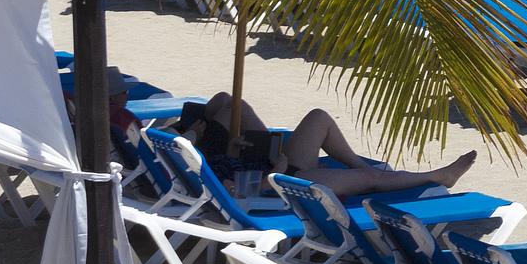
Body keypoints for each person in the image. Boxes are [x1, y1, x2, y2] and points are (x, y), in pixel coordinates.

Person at [183, 91, 475, 201]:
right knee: (368, 180)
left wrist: (233, 152)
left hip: (272, 168)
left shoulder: (194, 157)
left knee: (318, 117)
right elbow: (238, 193)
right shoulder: (201, 168)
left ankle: (362, 165)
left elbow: (229, 173)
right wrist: (277, 171)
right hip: (285, 183)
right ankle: (438, 177)